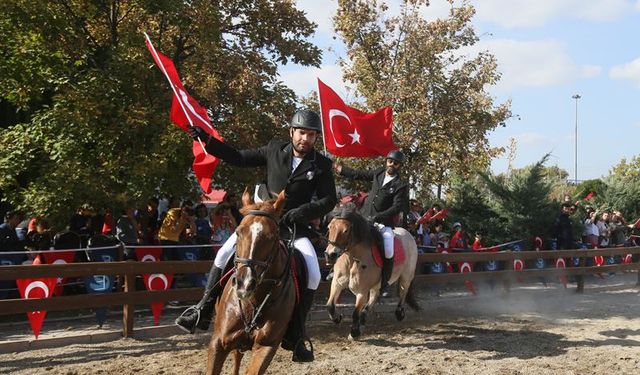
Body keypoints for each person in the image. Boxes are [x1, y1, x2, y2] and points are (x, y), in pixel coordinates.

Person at [177, 109, 337, 362]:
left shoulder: (322, 165)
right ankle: (202, 309)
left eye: (311, 135)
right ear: (292, 132)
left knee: (314, 274)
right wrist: (206, 140)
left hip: (293, 227)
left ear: (316, 137)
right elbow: (239, 157)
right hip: (262, 222)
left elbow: (330, 199)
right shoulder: (274, 149)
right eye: (301, 133)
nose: (305, 139)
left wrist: (302, 212)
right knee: (223, 255)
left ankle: (296, 334)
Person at [334, 150, 409, 297]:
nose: (392, 164)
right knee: (345, 236)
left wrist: (379, 217)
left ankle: (385, 283)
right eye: (390, 161)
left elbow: (397, 207)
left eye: (395, 163)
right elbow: (359, 174)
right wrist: (342, 170)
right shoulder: (379, 173)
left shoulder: (401, 185)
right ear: (386, 161)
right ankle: (336, 271)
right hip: (364, 217)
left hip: (383, 223)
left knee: (388, 249)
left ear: (400, 166)